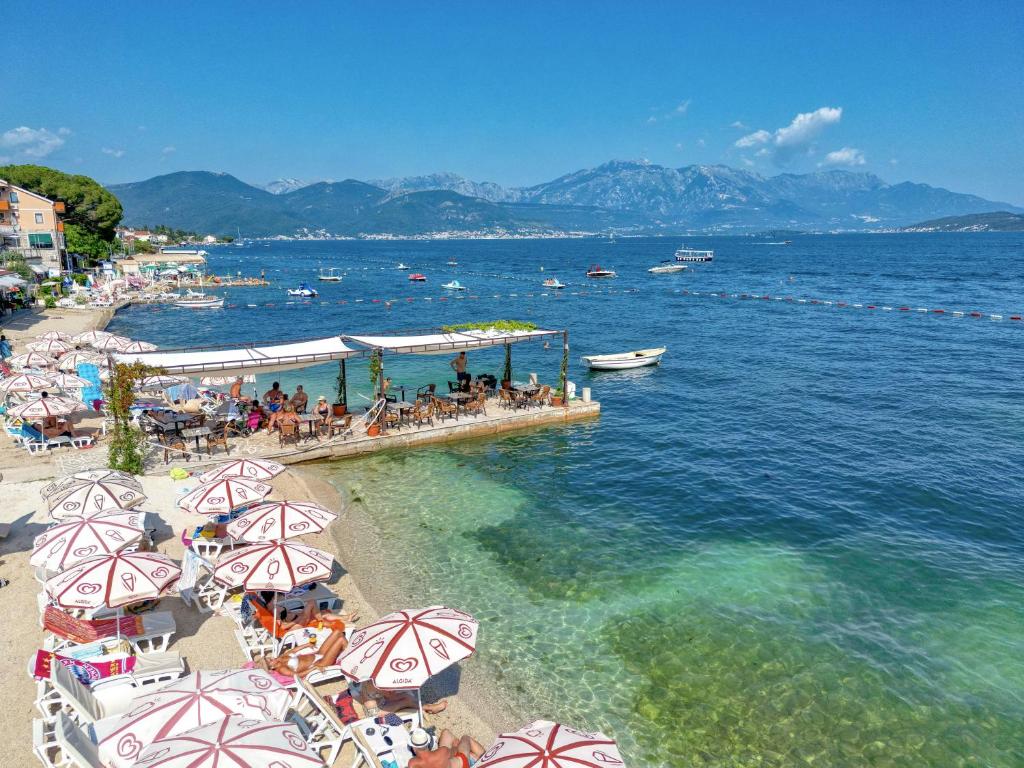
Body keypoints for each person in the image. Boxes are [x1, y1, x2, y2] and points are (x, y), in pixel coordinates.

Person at [409, 729, 485, 768]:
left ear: (413, 747)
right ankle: (487, 758)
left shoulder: (413, 763)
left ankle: (474, 756)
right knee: (465, 738)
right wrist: (455, 746)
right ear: (428, 742)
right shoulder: (442, 752)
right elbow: (455, 751)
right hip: (463, 765)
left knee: (446, 733)